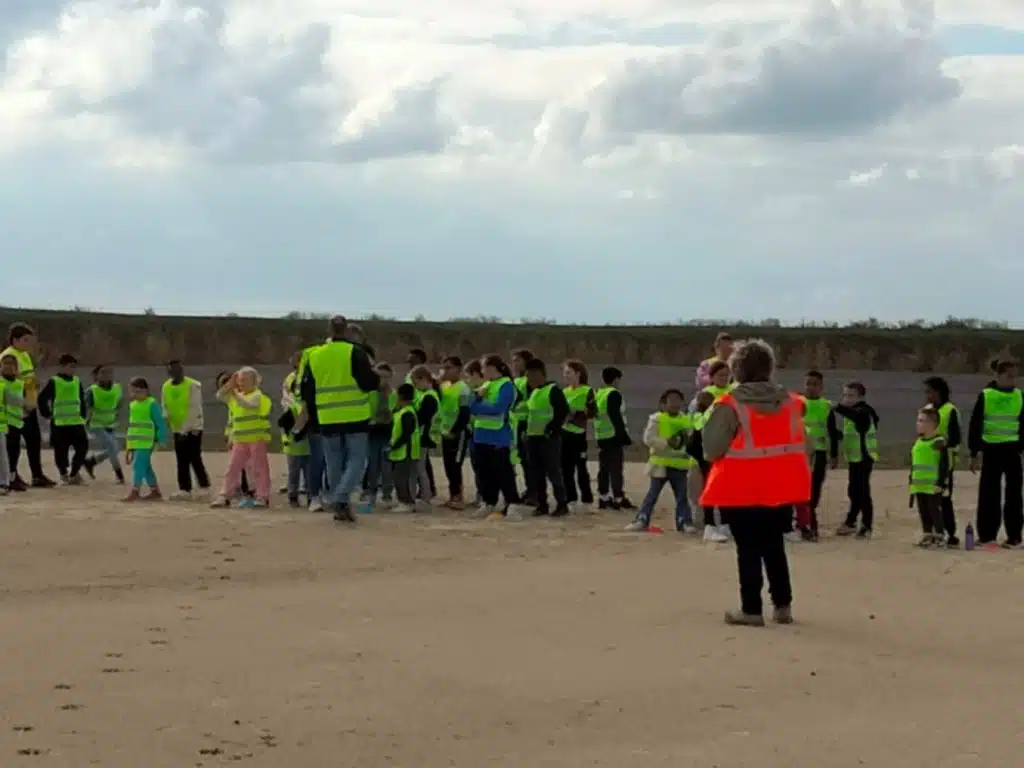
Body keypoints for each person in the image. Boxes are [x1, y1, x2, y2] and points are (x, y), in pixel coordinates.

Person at [700, 338, 811, 627]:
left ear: (737, 370)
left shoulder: (729, 405)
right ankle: (782, 605)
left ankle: (751, 608)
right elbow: (802, 443)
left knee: (747, 548)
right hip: (782, 486)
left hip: (741, 488)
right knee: (774, 545)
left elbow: (712, 449)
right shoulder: (791, 402)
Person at [301, 315, 380, 522]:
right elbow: (369, 383)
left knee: (333, 461)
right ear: (346, 330)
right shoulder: (355, 352)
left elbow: (306, 388)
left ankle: (340, 506)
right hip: (355, 415)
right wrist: (376, 376)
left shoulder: (315, 355)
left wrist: (313, 412)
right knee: (357, 460)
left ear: (328, 330)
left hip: (327, 416)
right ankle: (341, 496)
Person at [967, 358, 1024, 548]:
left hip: (1012, 451)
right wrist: (974, 453)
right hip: (991, 450)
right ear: (999, 376)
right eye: (1009, 376)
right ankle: (987, 536)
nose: (1013, 380)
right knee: (988, 494)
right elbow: (975, 425)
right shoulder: (986, 395)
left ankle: (1014, 536)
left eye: (1015, 376)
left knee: (1014, 495)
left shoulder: (1019, 396)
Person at [627, 388, 696, 533]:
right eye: (671, 401)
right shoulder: (656, 419)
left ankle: (684, 521)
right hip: (660, 465)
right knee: (652, 495)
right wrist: (666, 442)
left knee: (682, 496)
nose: (675, 404)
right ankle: (642, 519)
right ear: (664, 404)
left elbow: (691, 441)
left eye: (678, 400)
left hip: (680, 465)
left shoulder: (687, 420)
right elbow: (648, 439)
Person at [2, 323, 55, 488]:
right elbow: (9, 383)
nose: (28, 344)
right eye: (25, 340)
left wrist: (34, 384)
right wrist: (22, 402)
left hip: (29, 406)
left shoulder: (24, 355)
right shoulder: (9, 356)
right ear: (15, 340)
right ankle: (12, 476)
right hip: (17, 409)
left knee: (34, 441)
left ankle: (37, 475)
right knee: (14, 444)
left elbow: (26, 378)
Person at [212, 367, 273, 509]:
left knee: (259, 468)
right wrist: (229, 385)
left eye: (244, 380)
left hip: (256, 439)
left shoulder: (257, 396)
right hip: (240, 440)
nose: (241, 383)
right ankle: (225, 495)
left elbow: (247, 403)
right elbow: (220, 396)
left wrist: (233, 392)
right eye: (239, 380)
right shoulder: (235, 396)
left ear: (254, 381)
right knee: (232, 468)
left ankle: (262, 496)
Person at [470, 354, 521, 520]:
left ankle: (512, 504)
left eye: (484, 368)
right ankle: (488, 502)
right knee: (483, 472)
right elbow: (471, 406)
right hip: (481, 435)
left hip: (498, 435)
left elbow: (499, 407)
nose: (482, 371)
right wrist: (478, 399)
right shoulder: (486, 385)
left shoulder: (506, 385)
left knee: (503, 471)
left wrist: (480, 405)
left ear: (493, 368)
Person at [794, 370, 840, 542]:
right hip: (800, 452)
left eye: (815, 384)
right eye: (808, 383)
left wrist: (834, 455)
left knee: (815, 488)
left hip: (819, 452)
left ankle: (809, 522)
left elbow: (832, 432)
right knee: (800, 489)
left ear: (821, 387)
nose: (811, 387)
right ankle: (805, 523)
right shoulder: (797, 403)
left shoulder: (826, 406)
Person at [522, 358, 569, 517]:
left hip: (548, 439)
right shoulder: (534, 392)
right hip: (532, 438)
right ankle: (542, 504)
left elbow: (562, 411)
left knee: (553, 472)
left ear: (539, 374)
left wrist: (551, 429)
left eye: (530, 376)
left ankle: (562, 504)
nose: (528, 380)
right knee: (536, 473)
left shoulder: (553, 390)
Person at [834, 381, 880, 539]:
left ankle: (866, 525)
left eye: (851, 395)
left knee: (862, 491)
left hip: (864, 457)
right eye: (845, 395)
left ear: (861, 397)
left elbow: (859, 418)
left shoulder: (864, 411)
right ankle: (851, 521)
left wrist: (837, 407)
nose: (846, 398)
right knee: (854, 490)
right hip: (854, 458)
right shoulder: (852, 412)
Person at [37, 353, 89, 485]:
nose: (72, 369)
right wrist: (47, 414)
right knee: (61, 451)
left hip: (76, 422)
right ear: (62, 367)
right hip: (59, 423)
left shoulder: (77, 381)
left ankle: (74, 472)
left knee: (83, 447)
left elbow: (81, 399)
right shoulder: (54, 381)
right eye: (70, 366)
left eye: (74, 367)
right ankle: (63, 473)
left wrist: (83, 414)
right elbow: (42, 398)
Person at [161, 360, 210, 501]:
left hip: (193, 427)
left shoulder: (193, 385)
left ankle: (204, 486)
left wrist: (186, 429)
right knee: (181, 459)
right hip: (177, 428)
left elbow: (194, 408)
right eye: (172, 370)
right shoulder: (166, 386)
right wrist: (166, 421)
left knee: (194, 457)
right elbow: (165, 405)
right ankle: (184, 489)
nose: (175, 373)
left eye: (178, 370)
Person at [924, 376, 961, 546]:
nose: (927, 395)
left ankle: (951, 534)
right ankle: (932, 533)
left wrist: (945, 443)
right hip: (927, 462)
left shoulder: (950, 410)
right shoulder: (927, 409)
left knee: (944, 499)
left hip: (944, 463)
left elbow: (956, 437)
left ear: (938, 391)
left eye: (929, 391)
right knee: (927, 499)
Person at [909, 406, 950, 548]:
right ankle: (927, 534)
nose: (917, 423)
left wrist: (942, 483)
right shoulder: (918, 442)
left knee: (934, 510)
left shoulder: (938, 442)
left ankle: (939, 535)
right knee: (923, 510)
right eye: (918, 420)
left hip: (932, 485)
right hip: (919, 484)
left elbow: (944, 465)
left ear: (932, 424)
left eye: (921, 421)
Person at [123, 377, 169, 502]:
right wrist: (129, 445)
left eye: (139, 391)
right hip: (136, 442)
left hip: (147, 442)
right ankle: (155, 491)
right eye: (133, 391)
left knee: (138, 466)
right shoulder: (132, 405)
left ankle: (135, 490)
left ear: (146, 390)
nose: (136, 394)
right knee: (146, 467)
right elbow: (132, 426)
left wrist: (161, 439)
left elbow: (160, 423)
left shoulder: (151, 403)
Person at [594, 366, 633, 510]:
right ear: (616, 379)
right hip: (613, 435)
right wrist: (624, 437)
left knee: (604, 468)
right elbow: (615, 416)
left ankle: (603, 497)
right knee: (616, 468)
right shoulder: (613, 394)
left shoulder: (599, 393)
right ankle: (618, 497)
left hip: (601, 435)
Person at [560, 359, 595, 509]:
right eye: (564, 373)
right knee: (565, 468)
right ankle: (571, 498)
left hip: (578, 435)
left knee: (580, 467)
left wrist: (574, 416)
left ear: (578, 374)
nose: (566, 376)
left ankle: (586, 498)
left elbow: (592, 413)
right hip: (564, 434)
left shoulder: (587, 391)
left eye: (569, 372)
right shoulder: (564, 392)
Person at [83, 364, 125, 484]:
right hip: (96, 425)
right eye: (103, 373)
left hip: (110, 424)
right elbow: (86, 408)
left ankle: (91, 462)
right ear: (97, 375)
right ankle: (119, 475)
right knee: (113, 447)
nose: (106, 375)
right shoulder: (92, 391)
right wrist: (86, 421)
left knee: (113, 449)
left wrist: (117, 416)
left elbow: (119, 403)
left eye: (109, 372)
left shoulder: (117, 388)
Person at [438, 356, 472, 508]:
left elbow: (464, 413)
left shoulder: (463, 388)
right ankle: (453, 494)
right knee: (447, 464)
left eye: (449, 368)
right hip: (445, 431)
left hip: (458, 433)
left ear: (458, 369)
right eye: (444, 367)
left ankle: (458, 496)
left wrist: (455, 430)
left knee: (455, 464)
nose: (445, 371)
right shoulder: (443, 386)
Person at [362, 362, 395, 510]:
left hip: (388, 433)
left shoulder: (394, 395)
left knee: (387, 465)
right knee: (372, 464)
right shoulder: (370, 394)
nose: (383, 380)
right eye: (380, 377)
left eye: (386, 377)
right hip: (372, 433)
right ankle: (371, 493)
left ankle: (387, 494)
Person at [686, 390, 719, 537]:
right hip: (705, 459)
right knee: (703, 492)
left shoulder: (699, 416)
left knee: (700, 493)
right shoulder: (704, 417)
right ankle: (707, 522)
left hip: (701, 458)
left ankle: (704, 522)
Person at [410, 364, 442, 504]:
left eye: (416, 383)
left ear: (423, 379)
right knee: (420, 466)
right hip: (422, 436)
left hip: (425, 436)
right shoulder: (424, 395)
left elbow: (423, 417)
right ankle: (425, 493)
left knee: (420, 467)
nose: (415, 387)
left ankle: (425, 495)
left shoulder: (429, 397)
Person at [389, 383, 421, 512]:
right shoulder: (401, 411)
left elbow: (406, 434)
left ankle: (406, 502)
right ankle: (405, 500)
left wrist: (394, 446)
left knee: (401, 478)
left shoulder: (407, 413)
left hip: (405, 451)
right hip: (399, 451)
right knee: (399, 477)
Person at [278, 383, 310, 509]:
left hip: (301, 446)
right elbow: (283, 425)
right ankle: (295, 496)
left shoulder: (295, 405)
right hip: (297, 446)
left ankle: (300, 496)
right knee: (296, 473)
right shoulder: (292, 407)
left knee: (300, 473)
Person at [510, 349, 535, 504]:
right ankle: (529, 489)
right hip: (516, 424)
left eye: (517, 360)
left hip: (527, 423)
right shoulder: (516, 380)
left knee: (529, 460)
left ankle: (534, 492)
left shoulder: (529, 380)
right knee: (522, 460)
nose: (514, 364)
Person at [1, 353, 25, 493]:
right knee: (5, 454)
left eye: (12, 365)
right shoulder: (1, 383)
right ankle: (7, 480)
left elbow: (23, 401)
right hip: (5, 423)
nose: (9, 367)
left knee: (15, 453)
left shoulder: (20, 383)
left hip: (17, 422)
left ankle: (12, 478)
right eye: (6, 364)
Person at [464, 359, 486, 508]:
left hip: (485, 433)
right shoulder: (472, 392)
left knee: (484, 466)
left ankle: (486, 496)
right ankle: (480, 494)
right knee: (476, 465)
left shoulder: (485, 390)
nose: (467, 380)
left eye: (469, 376)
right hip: (473, 432)